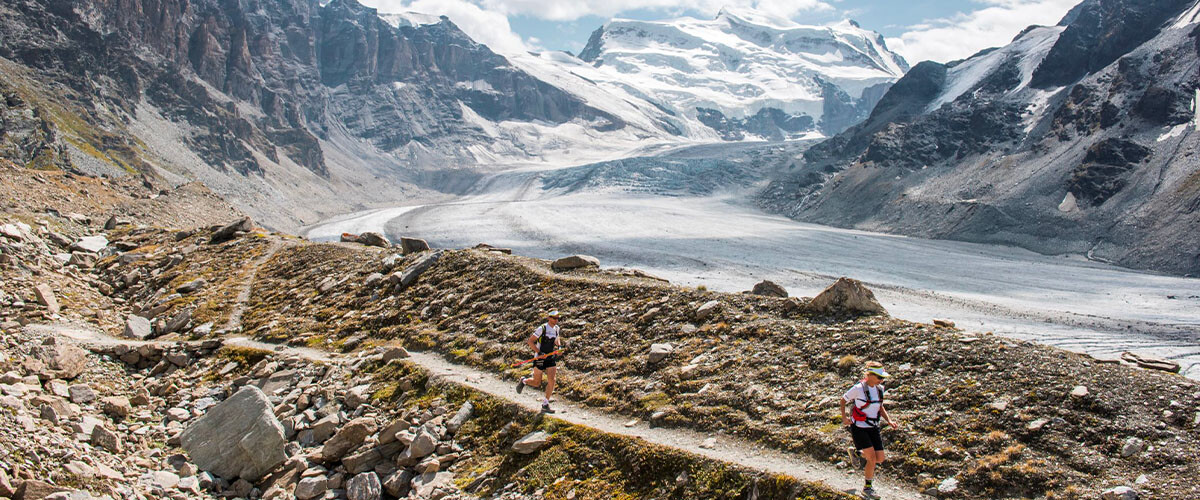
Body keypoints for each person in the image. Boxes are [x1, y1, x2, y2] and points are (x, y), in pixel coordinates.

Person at [841, 363, 899, 499]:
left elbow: (880, 406)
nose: (881, 380)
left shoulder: (880, 389)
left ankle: (856, 452)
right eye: (879, 377)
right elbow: (843, 401)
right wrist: (844, 418)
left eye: (882, 377)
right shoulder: (858, 388)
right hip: (859, 427)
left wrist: (889, 420)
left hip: (874, 426)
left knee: (880, 458)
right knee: (872, 458)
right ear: (870, 375)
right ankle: (867, 488)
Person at [516, 310, 563, 413]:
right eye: (554, 318)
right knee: (537, 383)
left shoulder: (556, 329)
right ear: (549, 318)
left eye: (557, 318)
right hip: (540, 358)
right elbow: (530, 341)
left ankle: (545, 404)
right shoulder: (542, 328)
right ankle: (523, 381)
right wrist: (539, 352)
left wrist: (559, 347)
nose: (556, 320)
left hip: (550, 357)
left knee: (552, 380)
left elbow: (556, 339)